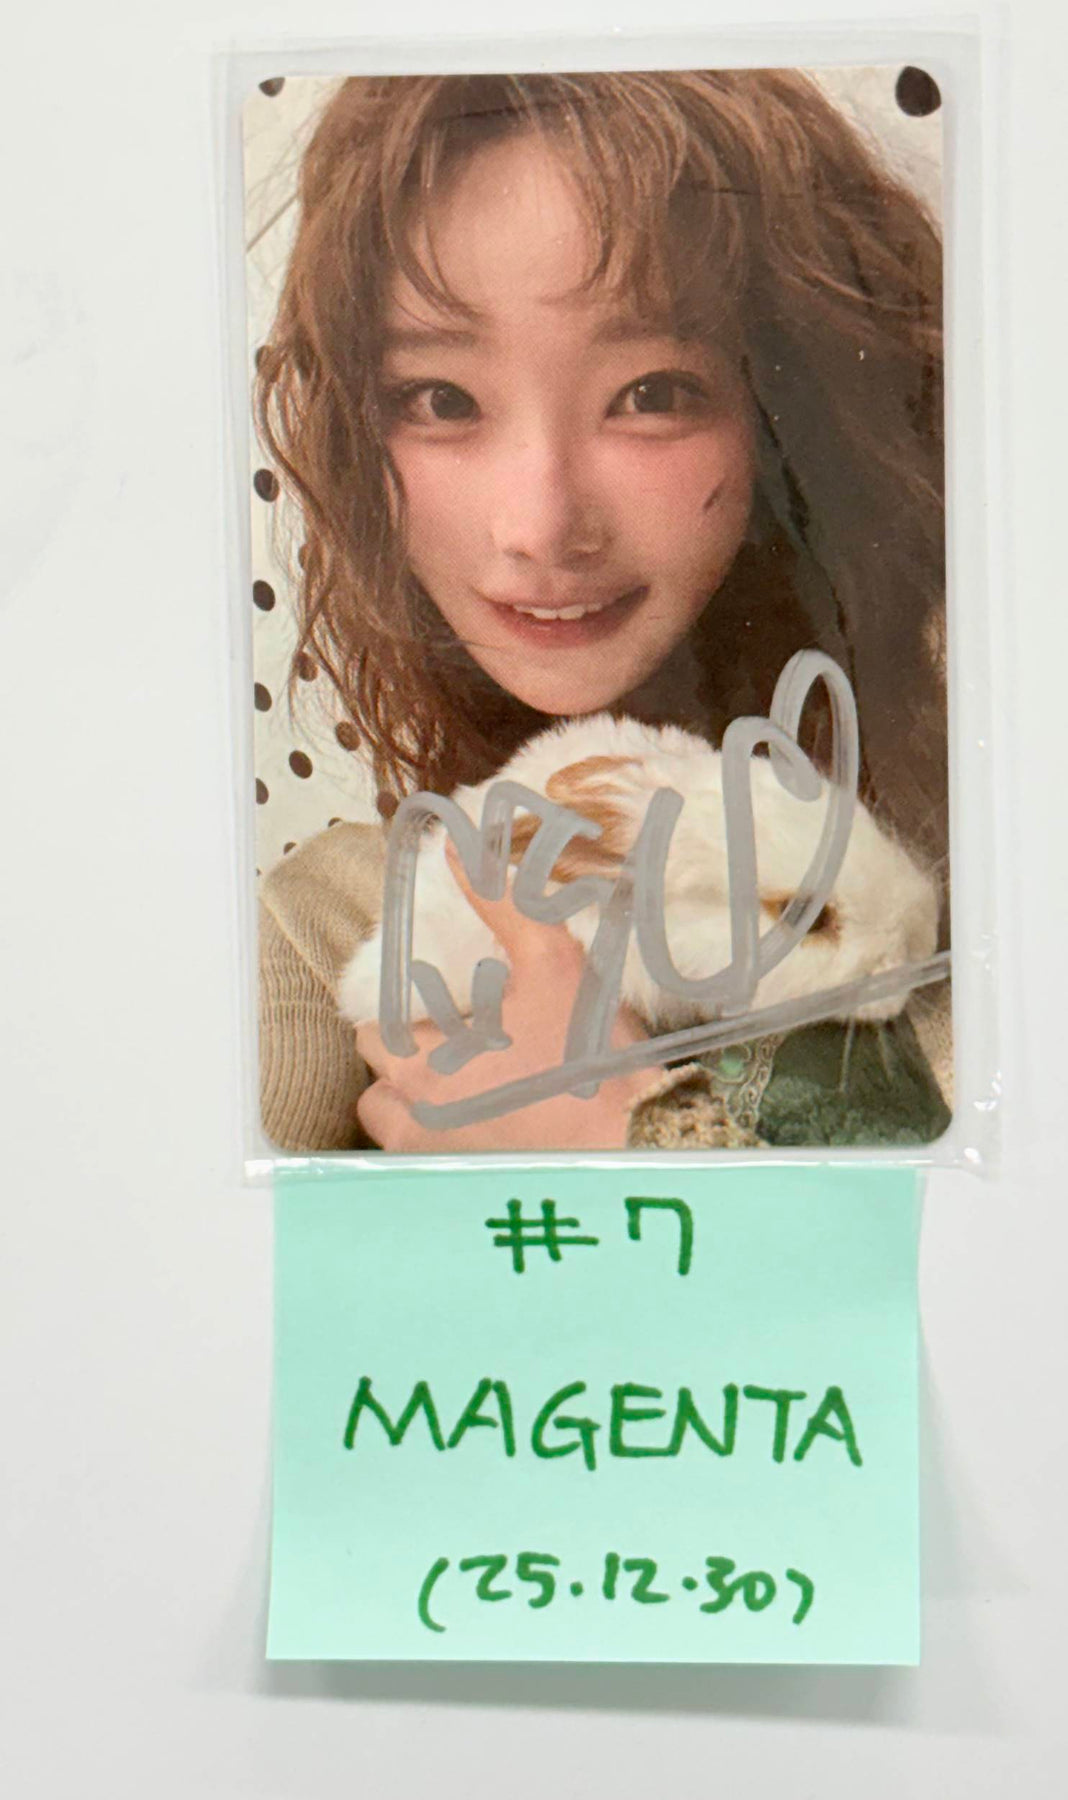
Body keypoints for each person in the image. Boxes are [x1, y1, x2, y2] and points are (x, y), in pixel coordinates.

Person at [254, 70, 951, 1154]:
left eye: (653, 393)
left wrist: (625, 1136)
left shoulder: (984, 854)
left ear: (783, 412)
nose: (539, 526)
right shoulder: (337, 922)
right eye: (440, 399)